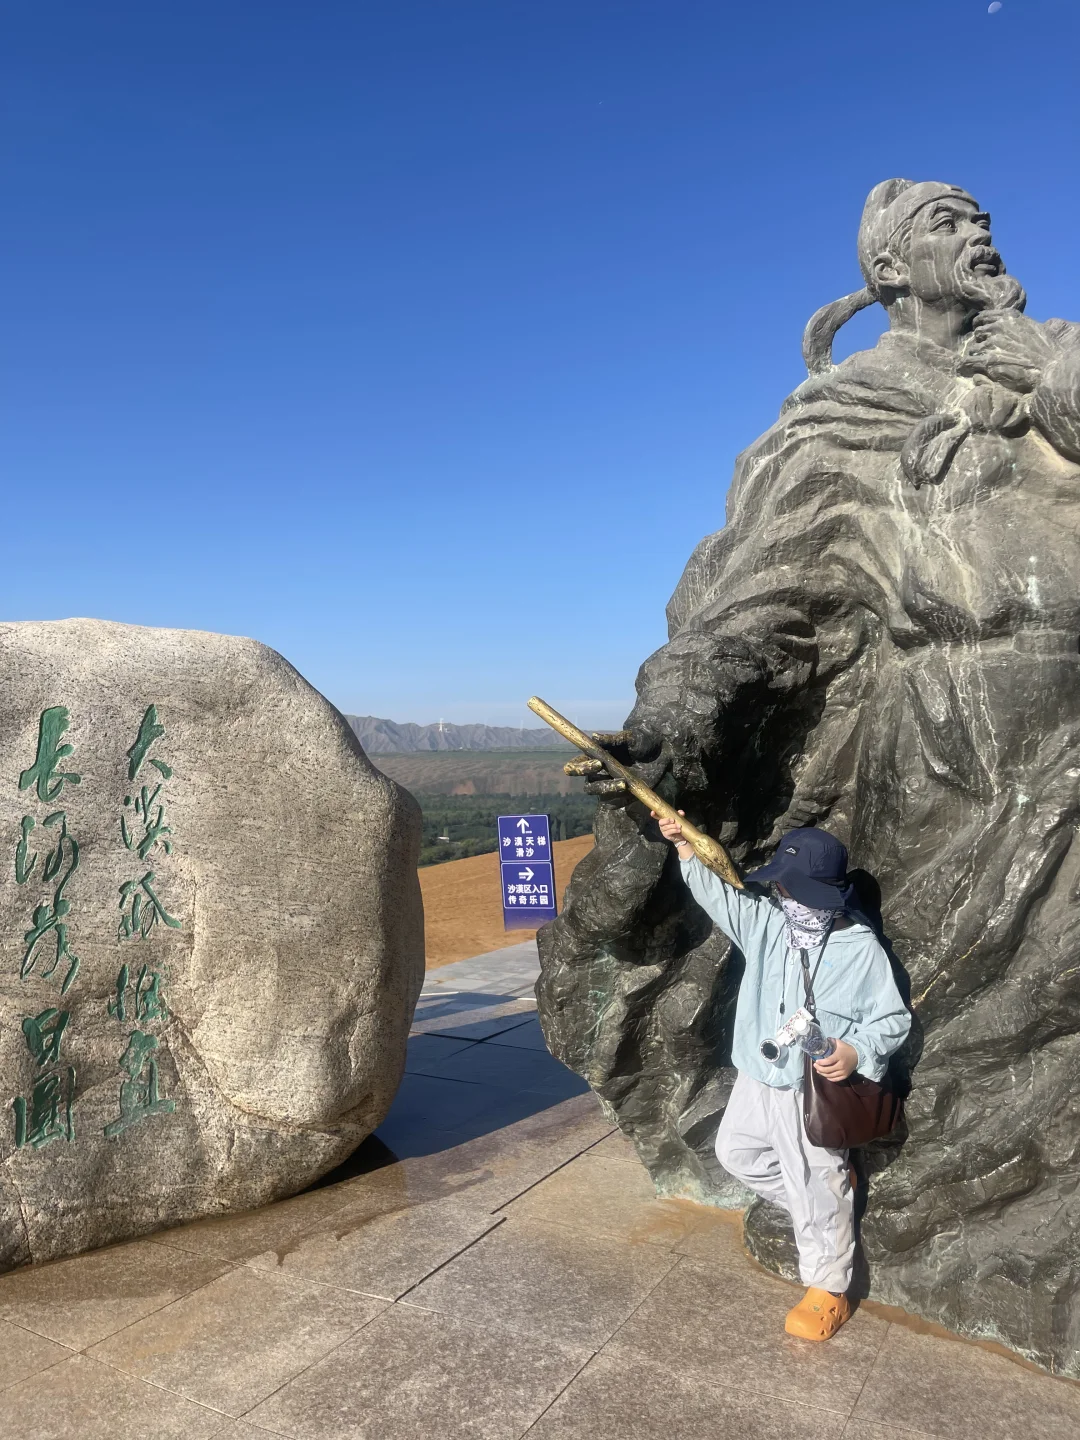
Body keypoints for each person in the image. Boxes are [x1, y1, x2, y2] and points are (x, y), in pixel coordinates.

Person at [652, 811, 911, 1341]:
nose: (786, 899)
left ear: (826, 894)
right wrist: (684, 849)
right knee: (738, 1153)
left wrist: (857, 1053)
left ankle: (829, 1286)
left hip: (811, 1091)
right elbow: (723, 899)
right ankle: (825, 1201)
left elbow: (892, 1019)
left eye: (796, 892)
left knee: (815, 1180)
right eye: (782, 889)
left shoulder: (859, 948)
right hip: (759, 1072)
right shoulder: (770, 923)